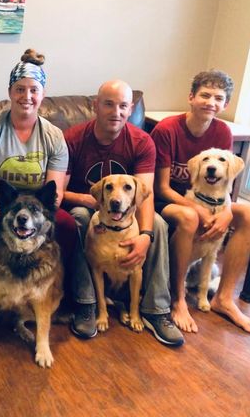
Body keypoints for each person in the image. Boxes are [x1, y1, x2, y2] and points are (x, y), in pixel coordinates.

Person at [63, 80, 184, 346]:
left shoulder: (142, 142)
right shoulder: (72, 138)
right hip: (87, 205)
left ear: (131, 110)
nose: (116, 112)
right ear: (95, 106)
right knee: (79, 217)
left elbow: (145, 195)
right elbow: (58, 192)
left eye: (123, 106)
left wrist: (146, 236)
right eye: (108, 104)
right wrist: (90, 200)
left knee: (159, 224)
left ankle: (156, 309)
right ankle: (87, 304)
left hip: (127, 211)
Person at [0, 48, 77, 314]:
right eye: (20, 89)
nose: (27, 96)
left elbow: (54, 192)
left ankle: (51, 298)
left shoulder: (55, 137)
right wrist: (5, 218)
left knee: (68, 225)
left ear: (42, 94)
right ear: (10, 92)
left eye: (34, 90)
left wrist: (35, 221)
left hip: (36, 208)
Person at [151, 70, 250, 334]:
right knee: (190, 217)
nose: (211, 102)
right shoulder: (167, 130)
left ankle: (224, 298)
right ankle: (177, 299)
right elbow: (162, 188)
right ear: (191, 97)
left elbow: (226, 182)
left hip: (212, 200)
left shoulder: (222, 131)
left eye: (218, 98)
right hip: (169, 202)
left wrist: (228, 211)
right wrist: (197, 209)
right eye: (205, 95)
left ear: (225, 104)